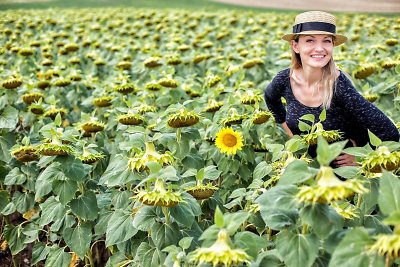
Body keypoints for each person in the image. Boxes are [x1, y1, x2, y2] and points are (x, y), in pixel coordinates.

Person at [264, 11, 399, 167]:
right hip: (306, 165)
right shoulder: (284, 79)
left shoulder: (339, 86)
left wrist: (364, 155)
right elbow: (270, 98)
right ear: (295, 46)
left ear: (332, 45)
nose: (320, 48)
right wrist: (287, 129)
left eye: (326, 41)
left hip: (342, 174)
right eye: (310, 40)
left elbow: (389, 132)